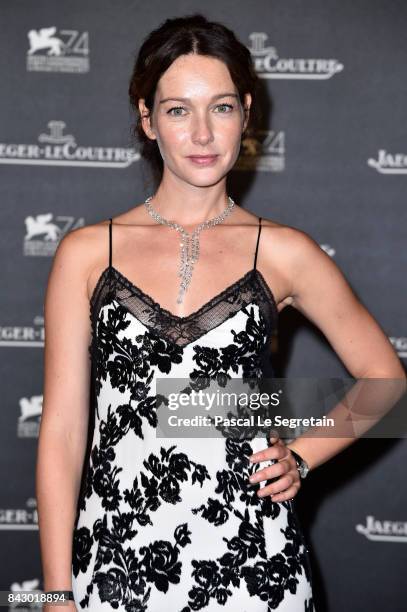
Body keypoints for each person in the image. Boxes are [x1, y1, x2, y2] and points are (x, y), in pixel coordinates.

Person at [36, 13, 405, 612]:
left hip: (255, 566)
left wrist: (304, 458)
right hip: (114, 567)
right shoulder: (84, 253)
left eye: (222, 107)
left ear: (247, 112)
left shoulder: (286, 252)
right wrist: (55, 593)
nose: (202, 133)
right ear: (147, 118)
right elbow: (63, 432)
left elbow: (387, 381)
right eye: (179, 109)